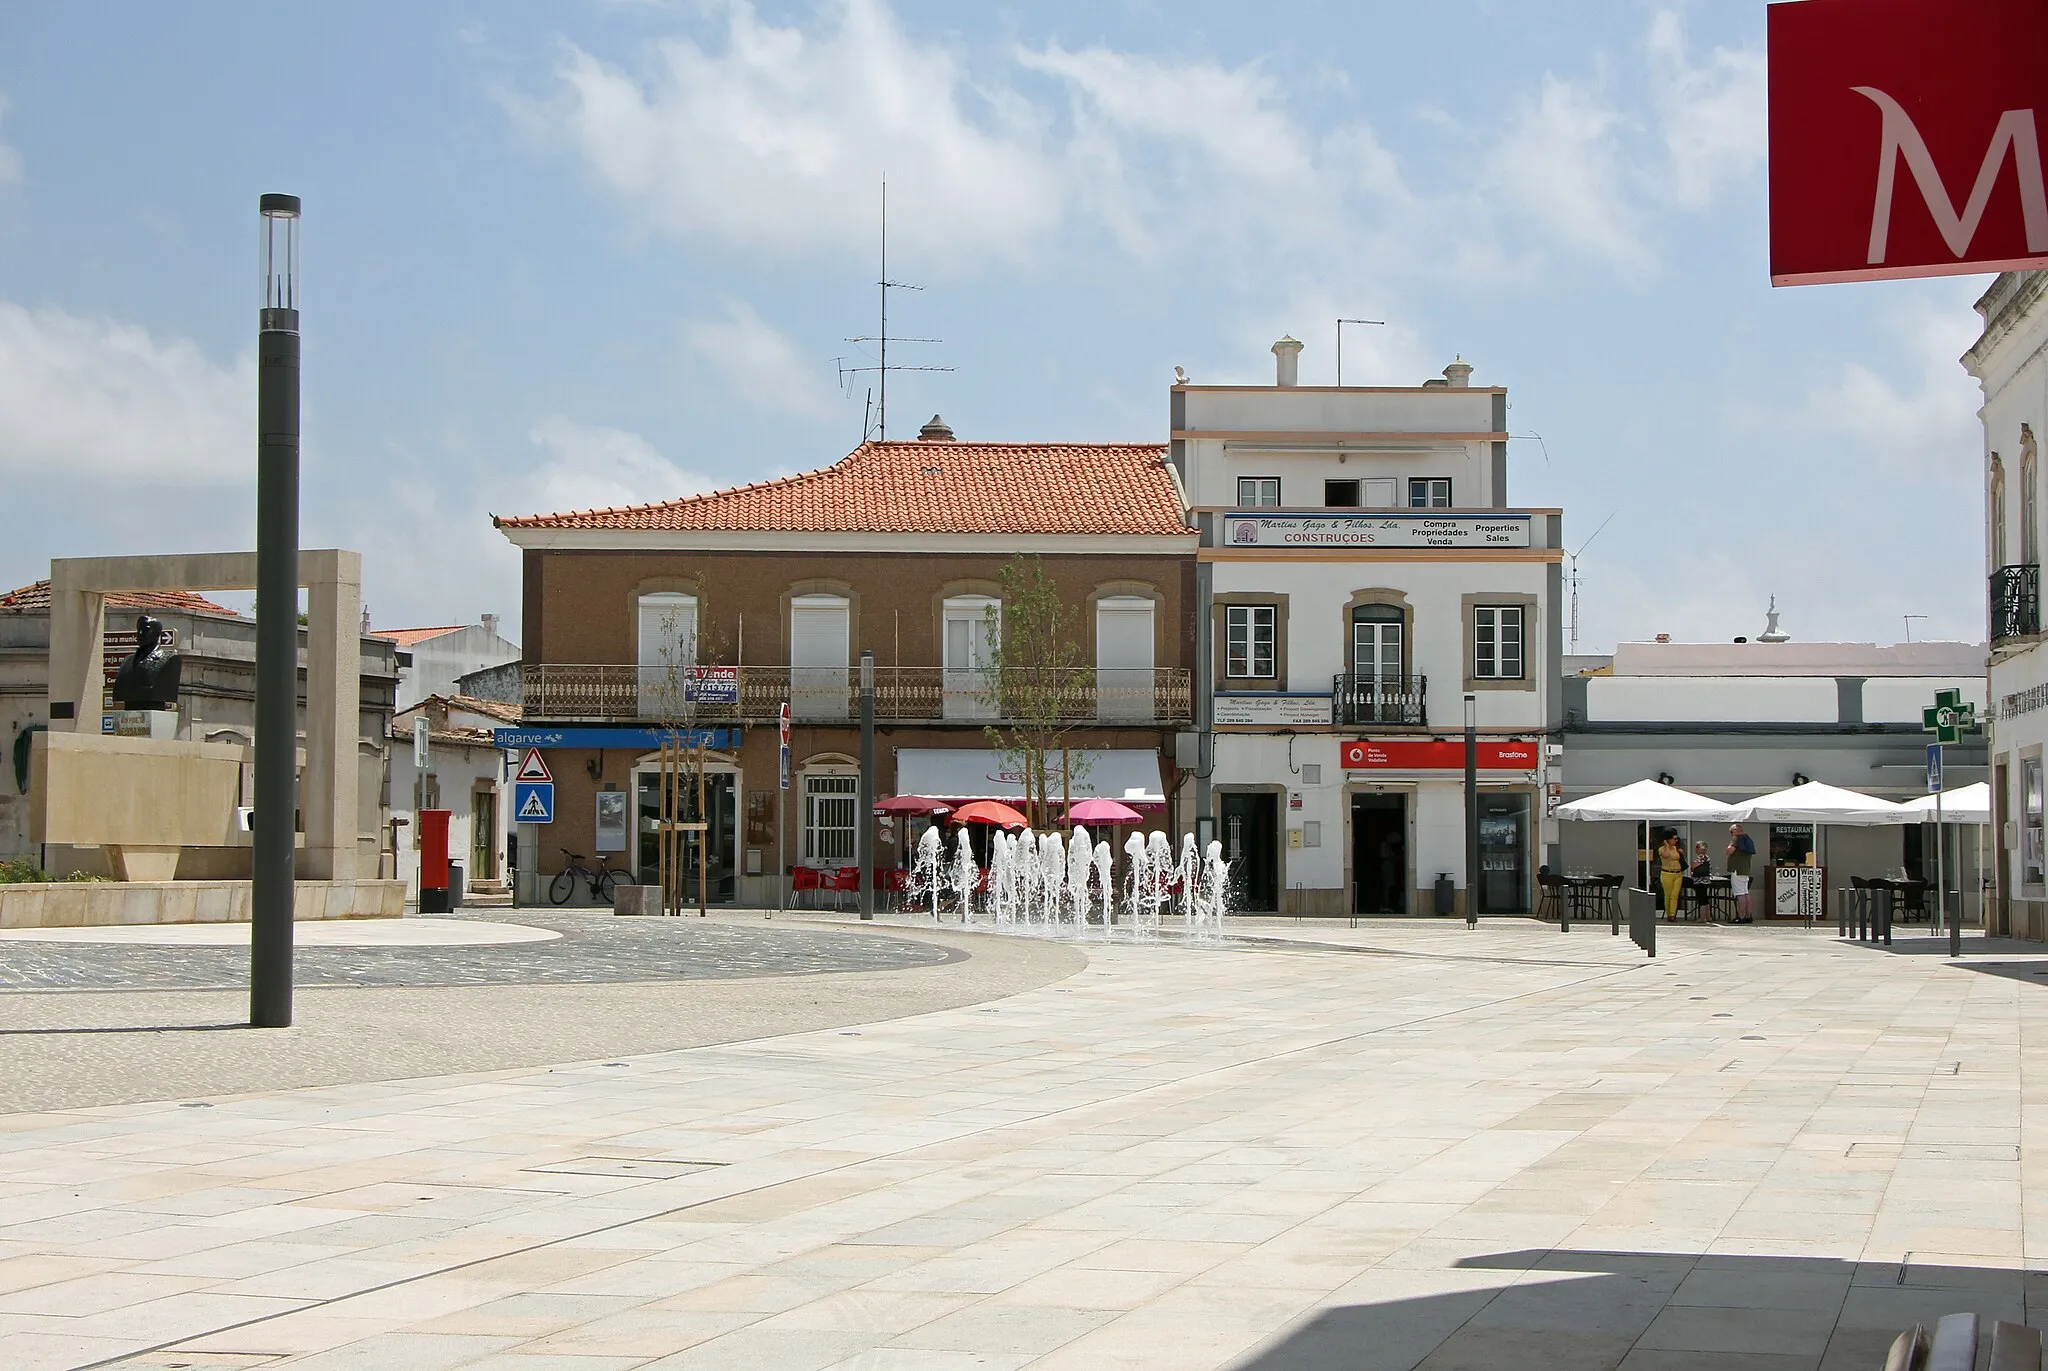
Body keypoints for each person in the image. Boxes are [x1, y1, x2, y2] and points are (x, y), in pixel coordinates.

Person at [1726, 823, 1757, 923]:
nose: (1731, 834)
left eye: (1731, 832)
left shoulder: (1737, 838)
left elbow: (1729, 851)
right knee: (1745, 893)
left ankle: (1741, 916)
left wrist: (1728, 847)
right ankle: (1748, 915)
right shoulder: (1748, 839)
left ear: (1735, 830)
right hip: (1745, 869)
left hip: (1737, 870)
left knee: (1739, 894)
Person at [1657, 833, 1685, 919]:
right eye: (1674, 839)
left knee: (1675, 895)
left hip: (1678, 874)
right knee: (1668, 895)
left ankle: (1673, 914)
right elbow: (1666, 855)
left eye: (1677, 839)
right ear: (1668, 840)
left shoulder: (1676, 849)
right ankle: (1669, 913)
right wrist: (1666, 845)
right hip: (1667, 874)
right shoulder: (1662, 849)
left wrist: (1681, 853)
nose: (1676, 840)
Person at [1688, 842, 1715, 922]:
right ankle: (1708, 916)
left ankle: (1702, 917)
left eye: (1697, 847)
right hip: (1705, 880)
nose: (1696, 849)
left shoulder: (1702, 856)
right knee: (1705, 898)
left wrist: (1693, 867)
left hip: (1700, 881)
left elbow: (1693, 866)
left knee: (1701, 898)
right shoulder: (1707, 857)